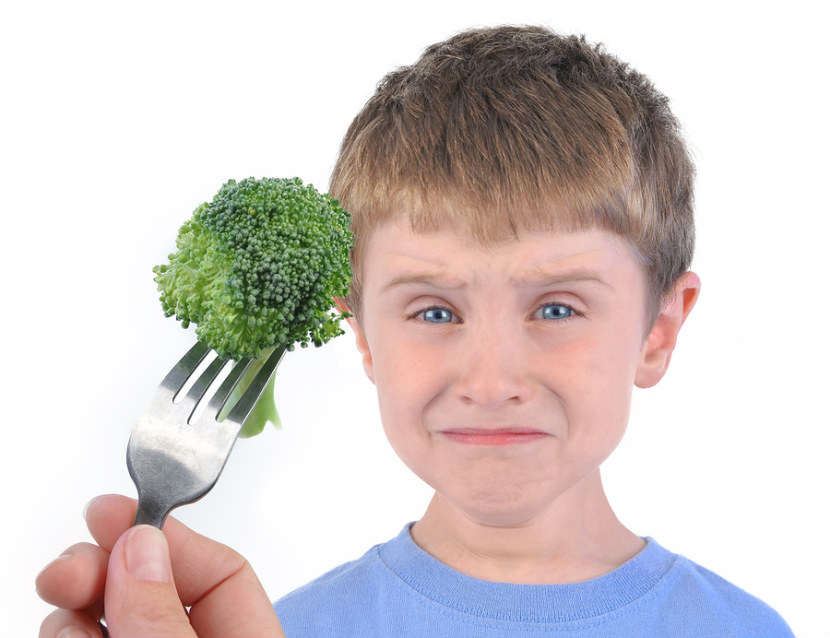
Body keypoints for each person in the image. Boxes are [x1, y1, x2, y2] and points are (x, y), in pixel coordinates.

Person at [36, 26, 794, 637]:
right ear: (359, 330)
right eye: (435, 312)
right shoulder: (274, 631)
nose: (492, 382)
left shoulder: (747, 631)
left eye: (557, 309)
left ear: (659, 329)